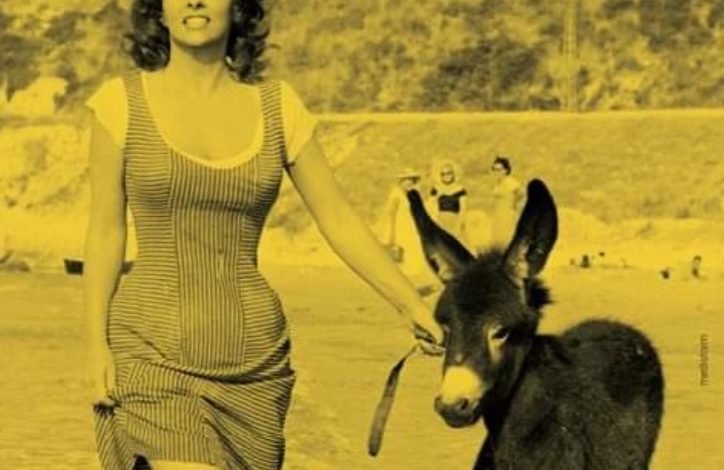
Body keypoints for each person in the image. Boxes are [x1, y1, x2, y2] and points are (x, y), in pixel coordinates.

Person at [83, 2, 442, 469]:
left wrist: (411, 305)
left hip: (255, 364)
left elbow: (337, 217)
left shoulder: (279, 107)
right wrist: (96, 344)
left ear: (237, 10)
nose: (195, 1)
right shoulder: (119, 103)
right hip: (151, 352)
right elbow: (105, 231)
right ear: (160, 13)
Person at [428, 159, 468, 245]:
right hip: (440, 220)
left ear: (453, 174)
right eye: (443, 174)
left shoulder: (460, 189)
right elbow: (429, 206)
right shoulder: (436, 189)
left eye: (449, 173)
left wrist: (458, 226)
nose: (446, 176)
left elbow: (463, 210)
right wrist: (438, 196)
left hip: (455, 220)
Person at [490, 156, 524, 246]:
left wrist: (514, 206)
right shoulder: (498, 183)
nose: (496, 172)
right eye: (494, 169)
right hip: (498, 215)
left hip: (508, 215)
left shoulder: (511, 182)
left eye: (499, 169)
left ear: (505, 170)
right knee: (497, 240)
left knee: (507, 239)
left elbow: (521, 194)